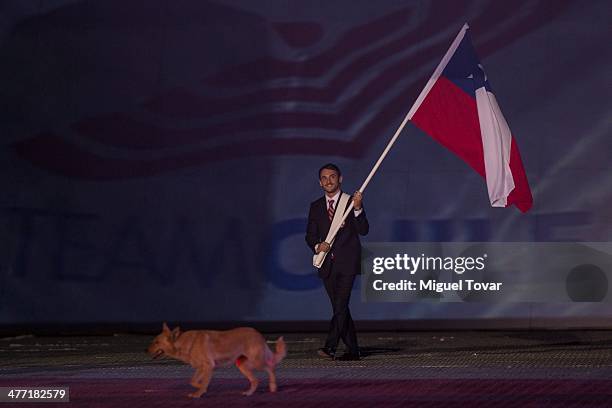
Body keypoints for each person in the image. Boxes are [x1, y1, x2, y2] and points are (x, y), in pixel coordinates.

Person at [305, 163, 369, 361]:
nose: (328, 181)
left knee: (340, 305)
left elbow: (363, 229)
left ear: (340, 179)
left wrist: (357, 209)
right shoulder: (315, 206)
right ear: (319, 182)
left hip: (347, 263)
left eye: (332, 177)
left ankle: (330, 347)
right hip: (326, 264)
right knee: (340, 308)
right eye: (324, 178)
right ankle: (353, 350)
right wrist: (317, 246)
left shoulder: (350, 202)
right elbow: (310, 235)